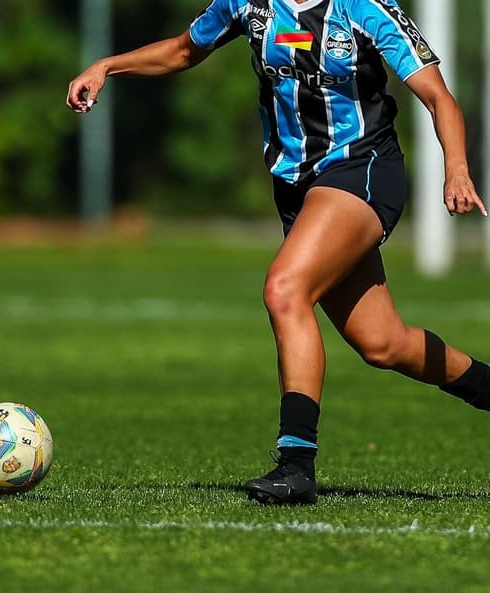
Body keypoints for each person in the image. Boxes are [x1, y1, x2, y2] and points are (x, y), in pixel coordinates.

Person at [68, 0, 489, 505]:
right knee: (384, 344)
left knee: (286, 289)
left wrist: (457, 169)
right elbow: (183, 50)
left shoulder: (367, 8)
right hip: (297, 189)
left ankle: (296, 464)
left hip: (363, 169)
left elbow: (439, 98)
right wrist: (107, 66)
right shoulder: (246, 4)